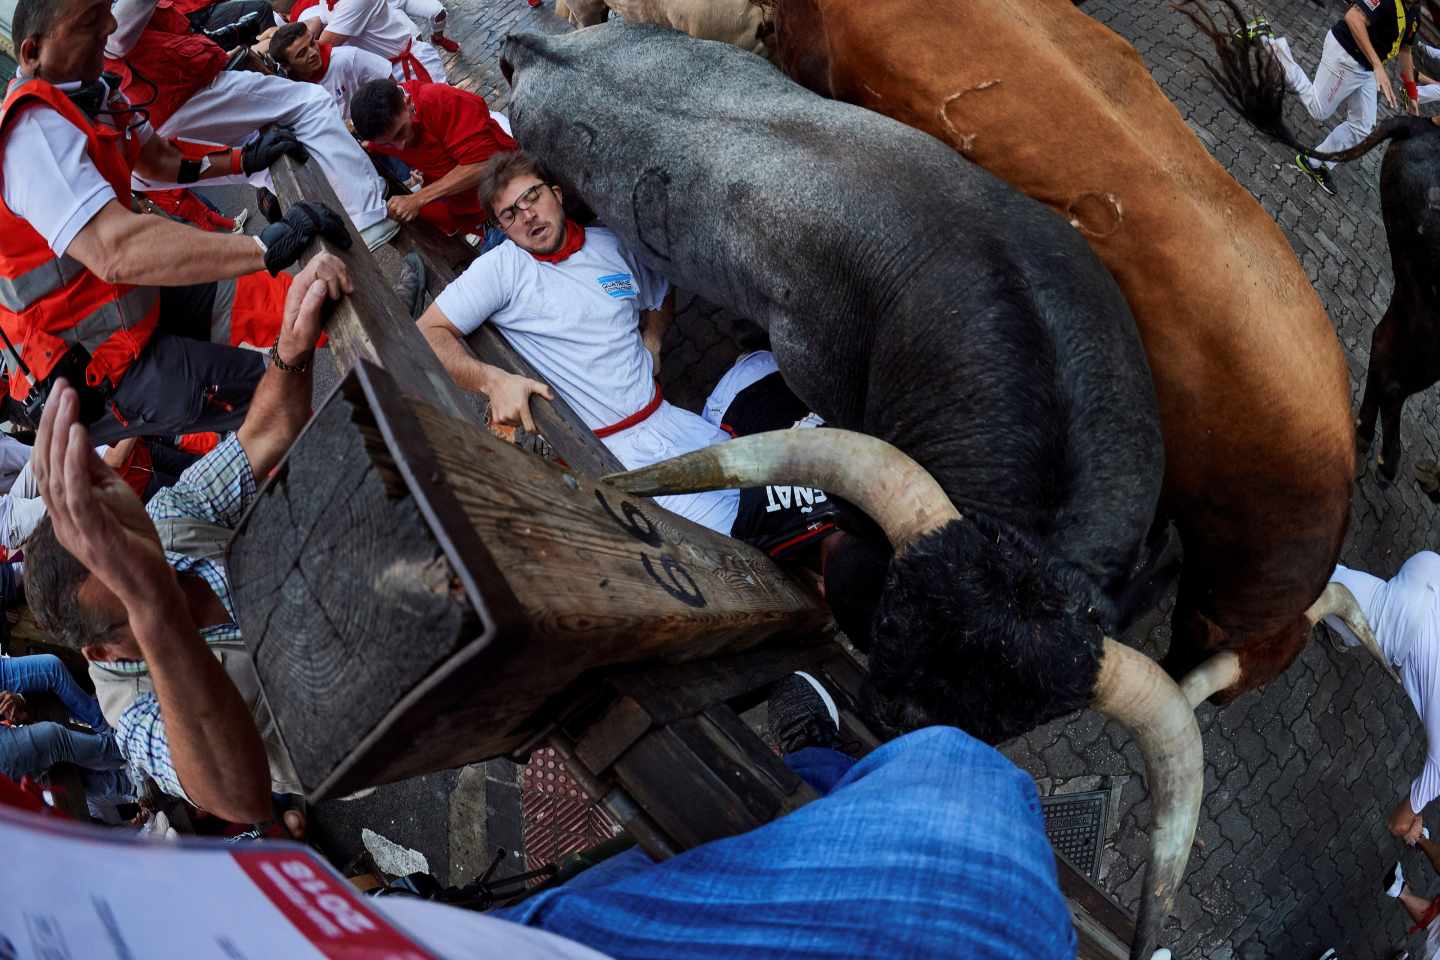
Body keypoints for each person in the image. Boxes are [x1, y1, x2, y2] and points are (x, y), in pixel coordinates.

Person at [24, 251, 353, 827]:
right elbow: (240, 799)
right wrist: (160, 611)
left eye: (145, 549)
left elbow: (265, 433)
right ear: (102, 651)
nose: (159, 569)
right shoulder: (130, 715)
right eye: (132, 586)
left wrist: (290, 351)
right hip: (381, 730)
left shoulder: (170, 517)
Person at [417, 151, 840, 552]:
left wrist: (653, 339)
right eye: (510, 213)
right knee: (743, 533)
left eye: (533, 196)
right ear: (502, 228)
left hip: (669, 419)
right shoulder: (501, 270)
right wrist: (494, 381)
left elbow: (658, 293)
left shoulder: (609, 245)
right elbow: (427, 332)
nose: (527, 215)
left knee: (770, 385)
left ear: (556, 195)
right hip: (617, 456)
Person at [3, 0, 350, 442]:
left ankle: (392, 334)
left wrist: (244, 158)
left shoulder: (93, 95)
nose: (110, 26)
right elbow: (116, 249)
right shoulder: (31, 134)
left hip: (139, 298)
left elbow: (158, 161)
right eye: (91, 22)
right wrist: (262, 248)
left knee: (282, 299)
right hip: (102, 367)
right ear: (32, 53)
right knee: (275, 395)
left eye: (107, 10)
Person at [104, 0, 397, 247]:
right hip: (173, 98)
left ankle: (336, 220)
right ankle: (368, 215)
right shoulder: (85, 22)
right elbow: (114, 38)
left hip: (155, 112)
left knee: (262, 159)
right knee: (311, 102)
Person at [1322, 552, 1440, 844]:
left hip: (1430, 569)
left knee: (1337, 588)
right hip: (1400, 620)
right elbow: (1397, 825)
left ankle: (1345, 630)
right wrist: (1417, 834)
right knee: (1314, 587)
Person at [1249, 0, 1420, 196]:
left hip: (1367, 68)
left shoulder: (1414, 12)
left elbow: (1406, 50)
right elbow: (1353, 17)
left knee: (1362, 127)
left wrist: (1410, 97)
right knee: (1318, 110)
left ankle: (1314, 162)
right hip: (1346, 54)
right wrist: (1378, 65)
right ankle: (1267, 42)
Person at [350, 78, 516, 238]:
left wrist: (419, 198)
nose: (400, 146)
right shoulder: (379, 138)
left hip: (509, 190)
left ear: (408, 103)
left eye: (401, 132)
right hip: (475, 214)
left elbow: (484, 163)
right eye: (387, 144)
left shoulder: (440, 101)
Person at [267, 20, 391, 124]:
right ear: (286, 66)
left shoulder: (348, 58)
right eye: (302, 53)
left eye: (312, 43)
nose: (313, 53)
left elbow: (390, 83)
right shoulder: (291, 91)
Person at [299, 0, 447, 85]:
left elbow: (324, 44)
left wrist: (293, 46)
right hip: (386, 73)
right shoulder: (326, 1)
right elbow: (320, 19)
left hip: (411, 67)